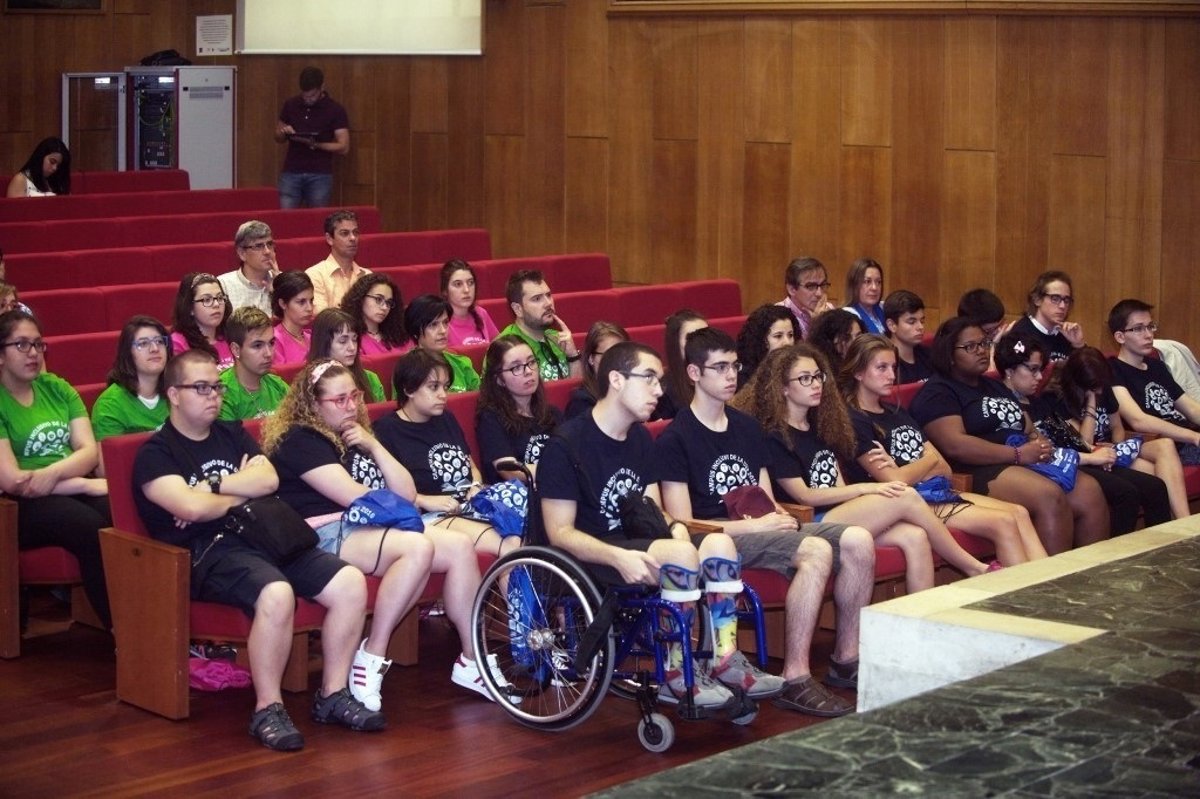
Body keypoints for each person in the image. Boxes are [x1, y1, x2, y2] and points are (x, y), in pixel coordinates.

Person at [134, 350, 382, 751]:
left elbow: (268, 481)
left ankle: (333, 694)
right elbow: (190, 509)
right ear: (174, 395)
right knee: (276, 592)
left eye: (217, 387)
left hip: (264, 535)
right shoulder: (156, 453)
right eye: (201, 388)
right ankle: (268, 708)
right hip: (208, 552)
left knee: (350, 583)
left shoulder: (231, 432)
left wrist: (214, 488)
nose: (214, 396)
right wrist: (239, 487)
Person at [539, 341, 784, 710]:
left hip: (639, 542)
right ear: (617, 380)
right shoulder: (566, 444)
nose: (659, 390)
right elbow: (560, 533)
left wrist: (675, 526)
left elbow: (651, 508)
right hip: (589, 553)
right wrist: (617, 557)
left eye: (660, 380)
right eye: (649, 378)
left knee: (719, 544)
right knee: (680, 554)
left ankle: (725, 660)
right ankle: (675, 672)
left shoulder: (639, 436)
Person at [263, 359, 508, 708]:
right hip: (324, 532)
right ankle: (372, 656)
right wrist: (397, 509)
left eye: (355, 396)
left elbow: (406, 493)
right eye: (340, 400)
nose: (351, 406)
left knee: (459, 546)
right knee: (417, 549)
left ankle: (472, 659)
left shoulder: (356, 433)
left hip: (367, 523)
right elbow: (352, 496)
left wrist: (374, 446)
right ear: (313, 403)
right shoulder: (299, 439)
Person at [656, 327, 872, 717]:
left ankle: (845, 659)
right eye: (719, 368)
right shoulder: (676, 437)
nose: (730, 375)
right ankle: (796, 676)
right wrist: (754, 527)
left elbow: (764, 496)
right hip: (719, 538)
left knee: (858, 539)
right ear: (693, 373)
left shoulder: (746, 426)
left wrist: (778, 518)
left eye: (734, 366)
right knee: (816, 550)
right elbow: (684, 523)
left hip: (761, 529)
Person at [735, 344, 934, 593]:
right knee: (904, 494)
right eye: (805, 379)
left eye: (818, 376)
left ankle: (921, 615)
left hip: (840, 511)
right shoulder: (774, 435)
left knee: (915, 536)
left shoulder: (821, 426)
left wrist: (867, 507)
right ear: (783, 387)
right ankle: (969, 565)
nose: (816, 384)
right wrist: (865, 489)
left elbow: (838, 485)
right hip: (811, 519)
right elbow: (805, 496)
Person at [909, 317, 1110, 555]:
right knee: (1049, 496)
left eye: (984, 343)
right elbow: (955, 445)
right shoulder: (938, 392)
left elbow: (1027, 426)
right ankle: (1052, 576)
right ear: (949, 354)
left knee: (1089, 491)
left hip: (1020, 458)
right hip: (977, 468)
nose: (981, 351)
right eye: (970, 346)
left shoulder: (993, 385)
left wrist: (1039, 442)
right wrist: (1017, 454)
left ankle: (1089, 572)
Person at [841, 334, 1047, 565]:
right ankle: (1020, 587)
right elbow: (895, 480)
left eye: (893, 367)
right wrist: (927, 461)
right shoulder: (854, 419)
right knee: (1004, 522)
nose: (891, 375)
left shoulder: (897, 412)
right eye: (882, 368)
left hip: (938, 491)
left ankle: (1048, 582)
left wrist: (913, 468)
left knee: (1019, 513)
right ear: (858, 372)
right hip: (909, 505)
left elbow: (945, 469)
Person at [995, 331, 1170, 535]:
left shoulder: (1038, 402)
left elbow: (1072, 440)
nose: (1040, 377)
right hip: (1053, 468)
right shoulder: (1007, 405)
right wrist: (1091, 456)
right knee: (1126, 493)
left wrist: (1096, 452)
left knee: (1155, 486)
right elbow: (1040, 452)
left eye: (1040, 370)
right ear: (1009, 370)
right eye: (1033, 370)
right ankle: (1118, 553)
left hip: (1075, 459)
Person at [0, 310, 111, 630]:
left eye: (38, 344)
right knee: (89, 526)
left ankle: (153, 620)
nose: (33, 353)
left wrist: (52, 474)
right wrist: (83, 485)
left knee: (121, 512)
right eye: (21, 345)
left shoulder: (57, 388)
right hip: (19, 506)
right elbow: (13, 480)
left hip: (61, 485)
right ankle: (123, 630)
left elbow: (88, 452)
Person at [374, 350, 517, 558]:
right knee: (506, 545)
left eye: (445, 387)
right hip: (429, 516)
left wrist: (476, 485)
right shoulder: (387, 430)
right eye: (433, 387)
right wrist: (424, 500)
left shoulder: (446, 418)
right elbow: (386, 491)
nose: (443, 394)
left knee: (517, 536)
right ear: (408, 389)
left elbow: (471, 467)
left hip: (469, 505)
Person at [1054, 345, 1191, 520]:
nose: (1101, 391)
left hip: (1111, 450)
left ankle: (1184, 522)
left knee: (1165, 445)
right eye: (1095, 387)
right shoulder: (1062, 400)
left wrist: (1115, 445)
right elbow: (1084, 443)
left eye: (1101, 385)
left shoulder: (1104, 389)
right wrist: (1091, 403)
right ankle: (1179, 524)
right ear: (1080, 383)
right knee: (1158, 481)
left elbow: (1117, 427)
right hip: (1090, 458)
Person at [1107, 299, 1200, 465]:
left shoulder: (1157, 367)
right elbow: (1138, 420)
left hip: (1186, 436)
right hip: (1163, 442)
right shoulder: (1112, 369)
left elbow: (1191, 409)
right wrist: (1194, 437)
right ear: (1120, 337)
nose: (1149, 335)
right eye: (1138, 329)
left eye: (1150, 327)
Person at [475, 335, 562, 484]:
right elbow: (510, 471)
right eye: (516, 367)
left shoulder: (552, 413)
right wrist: (560, 469)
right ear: (499, 379)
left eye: (531, 362)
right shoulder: (491, 418)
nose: (528, 371)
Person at [274, 66, 350, 209]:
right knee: (285, 216)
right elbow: (277, 137)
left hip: (320, 174)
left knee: (317, 217)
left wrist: (316, 144)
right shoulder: (291, 105)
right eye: (305, 96)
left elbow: (343, 146)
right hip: (291, 171)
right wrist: (284, 132)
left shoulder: (335, 110)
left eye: (313, 95)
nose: (308, 99)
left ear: (322, 87)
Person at [91, 315, 172, 446]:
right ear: (128, 353)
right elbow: (111, 456)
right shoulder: (110, 405)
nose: (155, 349)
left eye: (159, 341)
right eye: (143, 343)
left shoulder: (177, 392)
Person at [495, 270, 581, 381]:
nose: (548, 303)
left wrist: (573, 356)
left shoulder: (559, 338)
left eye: (548, 295)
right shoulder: (504, 349)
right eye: (537, 299)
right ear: (518, 309)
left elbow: (577, 388)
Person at [218, 308, 288, 421]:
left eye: (271, 343)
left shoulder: (277, 385)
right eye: (257, 346)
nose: (268, 354)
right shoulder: (221, 394)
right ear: (236, 350)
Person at [403, 294, 480, 393]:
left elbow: (480, 399)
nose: (443, 331)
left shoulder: (462, 364)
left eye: (445, 323)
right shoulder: (406, 369)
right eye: (433, 325)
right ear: (415, 331)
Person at [308, 308, 387, 403]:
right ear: (324, 344)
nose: (352, 347)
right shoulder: (308, 384)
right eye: (343, 341)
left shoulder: (370, 379)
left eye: (354, 339)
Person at [1009, 271, 1084, 364]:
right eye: (1055, 299)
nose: (1062, 306)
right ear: (1037, 299)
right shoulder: (1020, 333)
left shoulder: (1068, 334)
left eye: (1066, 300)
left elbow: (1088, 370)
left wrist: (1079, 345)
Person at [306, 210, 369, 313]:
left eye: (355, 232)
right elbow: (323, 318)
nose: (353, 238)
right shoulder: (315, 275)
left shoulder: (367, 275)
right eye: (345, 233)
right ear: (329, 239)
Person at [564, 320, 628, 420]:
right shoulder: (581, 403)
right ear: (591, 359)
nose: (615, 360)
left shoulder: (635, 390)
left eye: (620, 354)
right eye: (608, 355)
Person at [170, 272, 233, 371]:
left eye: (220, 298)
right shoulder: (178, 343)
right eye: (207, 300)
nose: (216, 304)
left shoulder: (232, 336)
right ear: (190, 307)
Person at [653, 309, 708, 421]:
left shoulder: (720, 375)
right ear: (675, 344)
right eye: (691, 338)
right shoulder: (664, 390)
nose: (701, 343)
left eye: (707, 336)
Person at [219, 221, 279, 315]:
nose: (267, 251)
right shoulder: (223, 285)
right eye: (258, 246)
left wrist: (280, 291)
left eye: (270, 244)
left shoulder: (284, 282)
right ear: (242, 253)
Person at [341, 274, 406, 358]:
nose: (385, 307)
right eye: (378, 299)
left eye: (389, 302)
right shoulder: (351, 338)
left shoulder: (398, 335)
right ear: (361, 298)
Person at [735, 304, 799, 390]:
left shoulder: (798, 367)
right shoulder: (744, 377)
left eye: (790, 335)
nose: (787, 342)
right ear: (760, 339)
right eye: (778, 336)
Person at [441, 259, 499, 347]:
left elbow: (499, 348)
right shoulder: (439, 321)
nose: (466, 290)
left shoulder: (481, 313)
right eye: (458, 284)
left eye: (470, 283)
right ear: (445, 290)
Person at [777, 257, 835, 340]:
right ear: (792, 289)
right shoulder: (778, 317)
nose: (819, 293)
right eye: (811, 286)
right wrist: (817, 326)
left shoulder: (829, 309)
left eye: (822, 285)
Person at [883, 290, 932, 384]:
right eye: (912, 322)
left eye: (922, 321)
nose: (920, 327)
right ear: (891, 325)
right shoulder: (884, 364)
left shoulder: (930, 355)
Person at [271, 271, 315, 366]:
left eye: (311, 301)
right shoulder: (273, 340)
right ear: (283, 304)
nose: (309, 308)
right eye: (301, 302)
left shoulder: (312, 337)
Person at [808, 308, 863, 377]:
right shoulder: (822, 374)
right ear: (830, 342)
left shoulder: (866, 363)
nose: (855, 342)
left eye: (858, 336)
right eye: (846, 338)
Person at [842, 258, 886, 335]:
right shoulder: (847, 315)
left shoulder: (884, 308)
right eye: (867, 281)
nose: (874, 288)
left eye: (878, 282)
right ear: (854, 285)